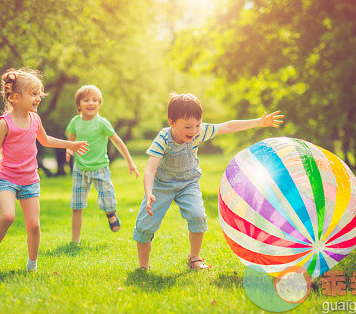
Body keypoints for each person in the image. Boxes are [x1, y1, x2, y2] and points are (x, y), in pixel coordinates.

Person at [133, 93, 284, 270]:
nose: (194, 131)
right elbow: (150, 169)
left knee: (198, 216)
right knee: (145, 225)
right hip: (161, 185)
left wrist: (258, 122)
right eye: (188, 127)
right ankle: (143, 268)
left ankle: (194, 258)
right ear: (171, 122)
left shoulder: (200, 131)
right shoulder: (163, 139)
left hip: (188, 183)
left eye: (197, 125)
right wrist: (149, 192)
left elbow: (227, 126)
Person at [0, 68, 88, 274]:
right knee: (8, 216)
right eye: (33, 94)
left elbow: (46, 140)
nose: (38, 98)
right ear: (16, 98)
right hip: (6, 179)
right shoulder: (4, 124)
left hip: (30, 180)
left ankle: (32, 265)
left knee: (34, 226)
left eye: (39, 94)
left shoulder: (35, 120)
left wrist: (70, 145)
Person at [65, 85, 139, 243]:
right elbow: (71, 140)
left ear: (99, 104)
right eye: (86, 100)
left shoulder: (102, 123)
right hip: (80, 169)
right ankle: (75, 241)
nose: (91, 103)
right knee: (76, 206)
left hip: (100, 169)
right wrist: (69, 150)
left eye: (95, 100)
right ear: (79, 104)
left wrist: (130, 163)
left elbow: (118, 143)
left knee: (109, 200)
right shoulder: (75, 122)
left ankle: (111, 213)